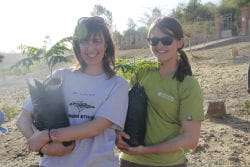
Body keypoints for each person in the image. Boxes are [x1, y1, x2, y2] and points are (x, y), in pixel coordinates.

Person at [16, 16, 129, 167]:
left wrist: (48, 135)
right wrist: (45, 147)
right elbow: (23, 118)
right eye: (84, 41)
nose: (90, 49)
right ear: (77, 45)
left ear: (106, 45)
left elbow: (95, 128)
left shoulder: (117, 85)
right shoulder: (60, 76)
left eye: (96, 41)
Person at [116, 16, 204, 167]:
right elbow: (123, 109)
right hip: (129, 160)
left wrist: (147, 150)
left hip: (167, 163)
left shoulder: (188, 84)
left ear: (180, 42)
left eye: (167, 40)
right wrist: (117, 133)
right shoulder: (142, 71)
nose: (160, 45)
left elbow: (191, 139)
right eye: (154, 40)